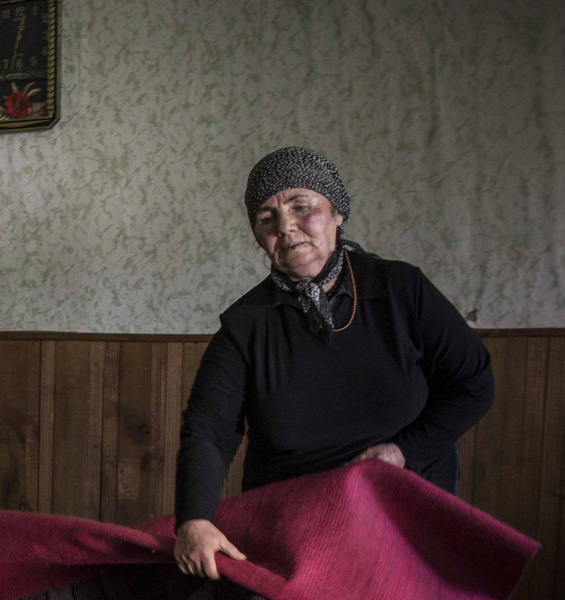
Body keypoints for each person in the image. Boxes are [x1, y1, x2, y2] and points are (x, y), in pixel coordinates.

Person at [174, 146, 493, 578]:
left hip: (408, 520)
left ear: (337, 212)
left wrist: (401, 453)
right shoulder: (246, 325)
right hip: (298, 534)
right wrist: (194, 520)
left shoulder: (401, 290)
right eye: (267, 218)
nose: (286, 227)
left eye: (301, 207)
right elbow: (209, 428)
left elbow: (473, 383)